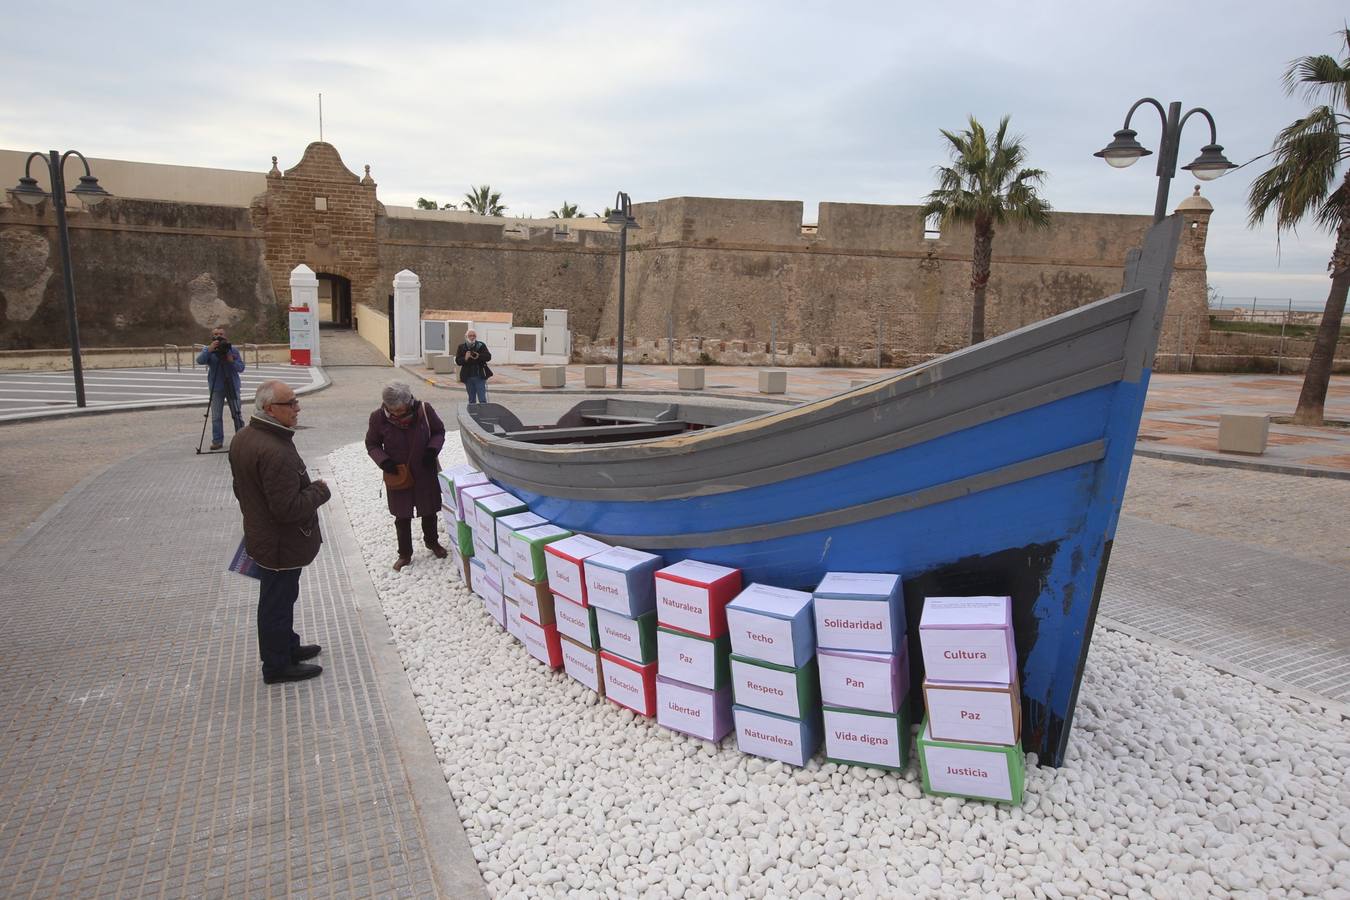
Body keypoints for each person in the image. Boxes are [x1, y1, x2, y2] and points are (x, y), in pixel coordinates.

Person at [229, 380, 331, 684]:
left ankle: (287, 646)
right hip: (279, 544)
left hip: (265, 536)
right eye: (291, 403)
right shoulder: (275, 450)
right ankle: (277, 665)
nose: (298, 408)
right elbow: (287, 508)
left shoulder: (245, 437)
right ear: (271, 409)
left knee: (280, 598)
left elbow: (241, 489)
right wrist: (319, 492)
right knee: (277, 602)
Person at [366, 381, 448, 571]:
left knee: (429, 510)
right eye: (392, 410)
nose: (397, 414)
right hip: (397, 473)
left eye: (401, 411)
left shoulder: (425, 411)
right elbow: (372, 444)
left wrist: (432, 450)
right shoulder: (378, 417)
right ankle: (405, 553)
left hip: (424, 470)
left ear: (410, 402)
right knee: (401, 516)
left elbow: (438, 431)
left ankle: (432, 542)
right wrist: (384, 461)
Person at [197, 325, 246, 450]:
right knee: (216, 416)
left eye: (221, 334)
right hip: (216, 387)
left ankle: (241, 439)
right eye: (216, 334)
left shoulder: (232, 350)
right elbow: (199, 361)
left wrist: (231, 361)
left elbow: (241, 368)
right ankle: (217, 441)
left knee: (237, 413)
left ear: (225, 336)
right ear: (212, 337)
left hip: (232, 385)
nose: (218, 336)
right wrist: (209, 350)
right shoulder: (208, 350)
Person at [454, 328, 492, 403]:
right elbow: (458, 361)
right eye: (470, 335)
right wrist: (465, 358)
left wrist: (479, 356)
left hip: (479, 376)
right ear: (466, 337)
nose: (472, 337)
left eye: (474, 336)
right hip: (467, 377)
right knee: (471, 400)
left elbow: (488, 357)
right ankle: (473, 414)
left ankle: (483, 414)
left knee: (482, 399)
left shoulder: (481, 345)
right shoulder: (461, 347)